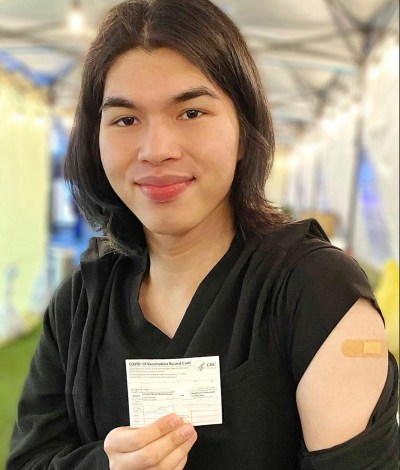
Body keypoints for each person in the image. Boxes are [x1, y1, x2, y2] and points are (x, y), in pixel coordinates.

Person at [7, 0, 399, 468]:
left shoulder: (316, 292)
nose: (156, 150)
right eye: (126, 119)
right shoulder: (80, 304)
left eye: (191, 112)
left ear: (244, 129)